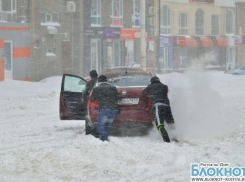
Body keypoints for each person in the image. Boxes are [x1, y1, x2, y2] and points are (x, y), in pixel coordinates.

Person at [142, 76, 175, 143]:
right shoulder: (164, 86)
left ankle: (167, 140)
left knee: (159, 125)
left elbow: (143, 93)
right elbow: (164, 91)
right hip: (167, 106)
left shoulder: (150, 87)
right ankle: (175, 137)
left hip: (158, 106)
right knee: (171, 123)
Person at [90, 75, 122, 141]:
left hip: (104, 109)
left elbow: (92, 100)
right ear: (106, 81)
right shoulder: (113, 88)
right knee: (107, 125)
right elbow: (119, 98)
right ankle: (105, 139)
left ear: (99, 81)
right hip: (114, 110)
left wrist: (93, 95)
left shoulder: (96, 89)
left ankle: (105, 139)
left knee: (100, 125)